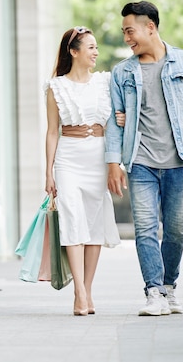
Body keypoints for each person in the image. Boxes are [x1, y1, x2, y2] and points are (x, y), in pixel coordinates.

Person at [105, 1, 183, 316]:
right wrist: (114, 162)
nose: (127, 38)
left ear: (150, 27)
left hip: (180, 162)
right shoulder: (123, 73)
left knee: (176, 230)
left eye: (130, 31)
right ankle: (153, 291)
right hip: (140, 162)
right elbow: (115, 121)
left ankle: (169, 287)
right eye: (124, 32)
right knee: (144, 227)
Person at [44, 26, 124, 316]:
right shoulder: (55, 87)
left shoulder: (105, 82)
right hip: (68, 159)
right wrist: (48, 172)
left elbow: (117, 119)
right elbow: (52, 131)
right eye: (90, 47)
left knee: (94, 226)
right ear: (73, 51)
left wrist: (122, 119)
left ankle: (88, 290)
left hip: (98, 158)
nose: (96, 53)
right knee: (71, 220)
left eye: (96, 47)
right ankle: (78, 291)